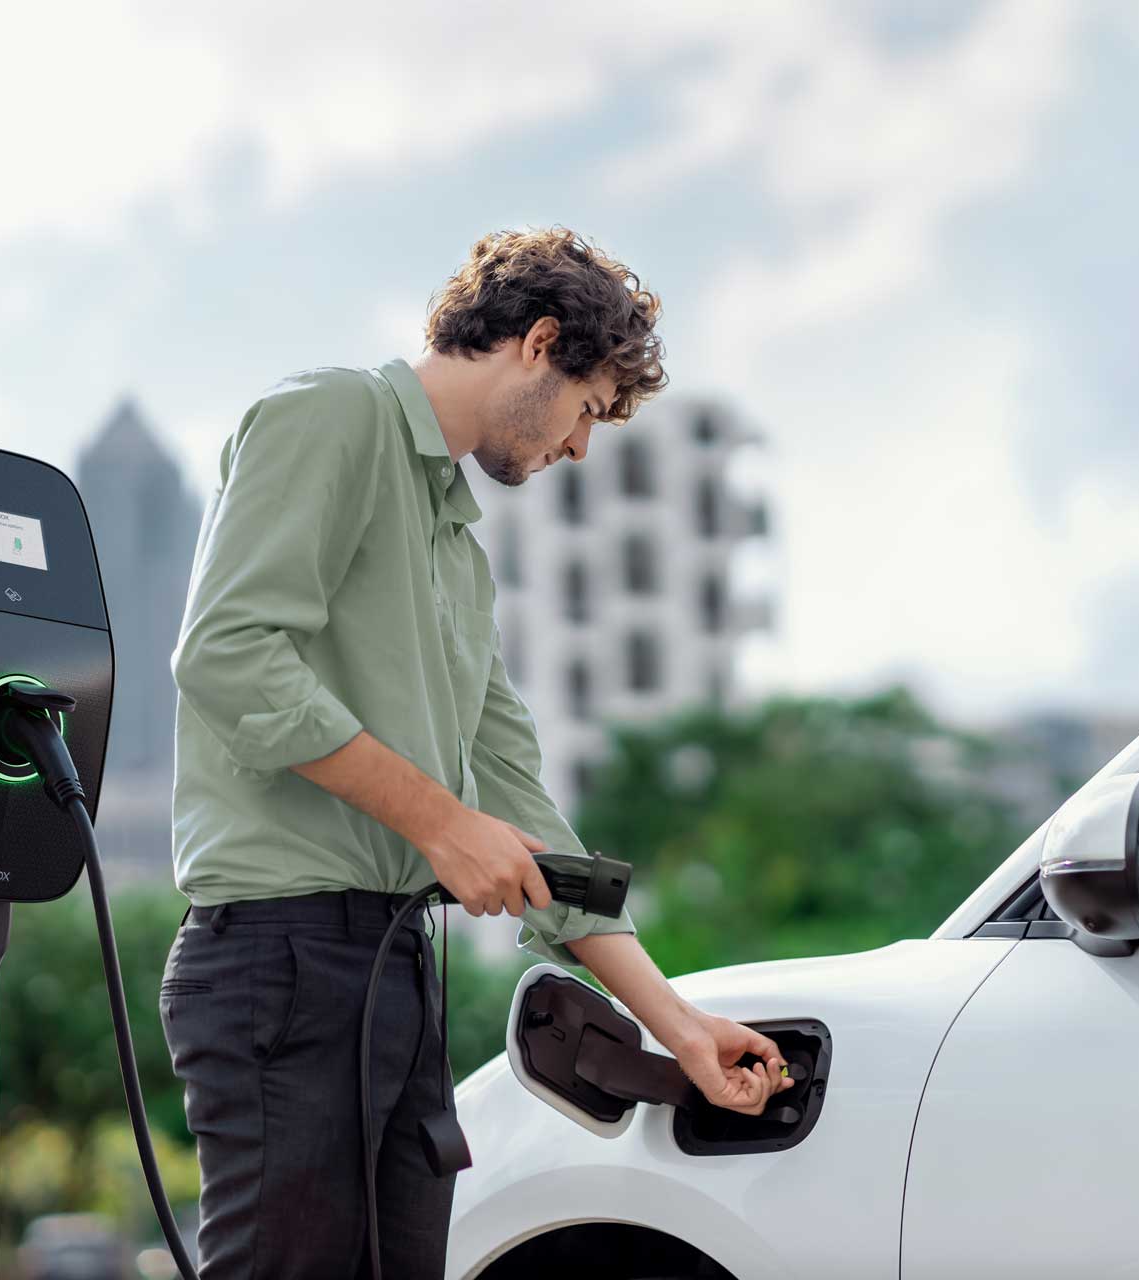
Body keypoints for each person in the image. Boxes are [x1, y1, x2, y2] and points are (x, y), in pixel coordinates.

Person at [161, 226, 792, 1278]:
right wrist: (440, 823)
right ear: (539, 342)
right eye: (588, 409)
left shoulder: (456, 547)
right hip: (279, 961)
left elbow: (518, 804)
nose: (581, 448)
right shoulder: (333, 414)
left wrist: (675, 1023)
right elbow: (226, 655)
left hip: (394, 972)